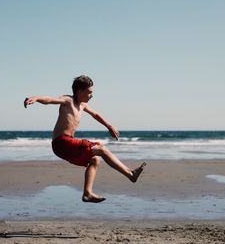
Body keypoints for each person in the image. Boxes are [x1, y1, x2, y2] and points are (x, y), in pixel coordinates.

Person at [24, 75, 146, 203]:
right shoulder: (67, 100)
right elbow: (50, 100)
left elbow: (95, 114)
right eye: (89, 92)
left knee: (95, 160)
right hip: (61, 142)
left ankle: (87, 193)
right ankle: (130, 174)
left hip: (66, 147)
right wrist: (36, 98)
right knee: (101, 148)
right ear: (79, 91)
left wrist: (109, 126)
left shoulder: (82, 105)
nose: (91, 96)